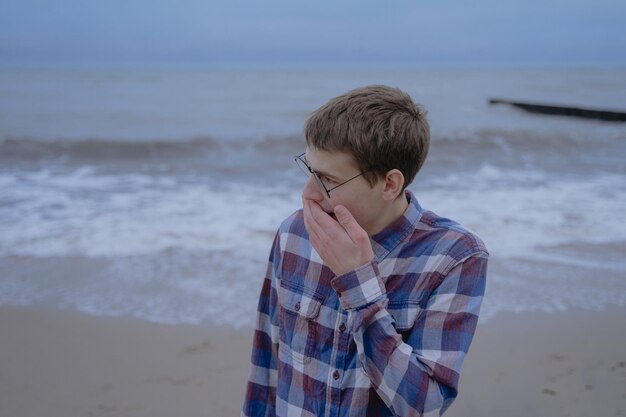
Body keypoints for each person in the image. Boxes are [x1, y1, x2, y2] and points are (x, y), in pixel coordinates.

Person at [241, 85, 488, 417]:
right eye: (309, 170)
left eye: (327, 179)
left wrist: (359, 285)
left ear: (389, 184)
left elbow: (424, 405)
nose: (309, 193)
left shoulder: (456, 256)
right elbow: (267, 364)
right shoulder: (294, 234)